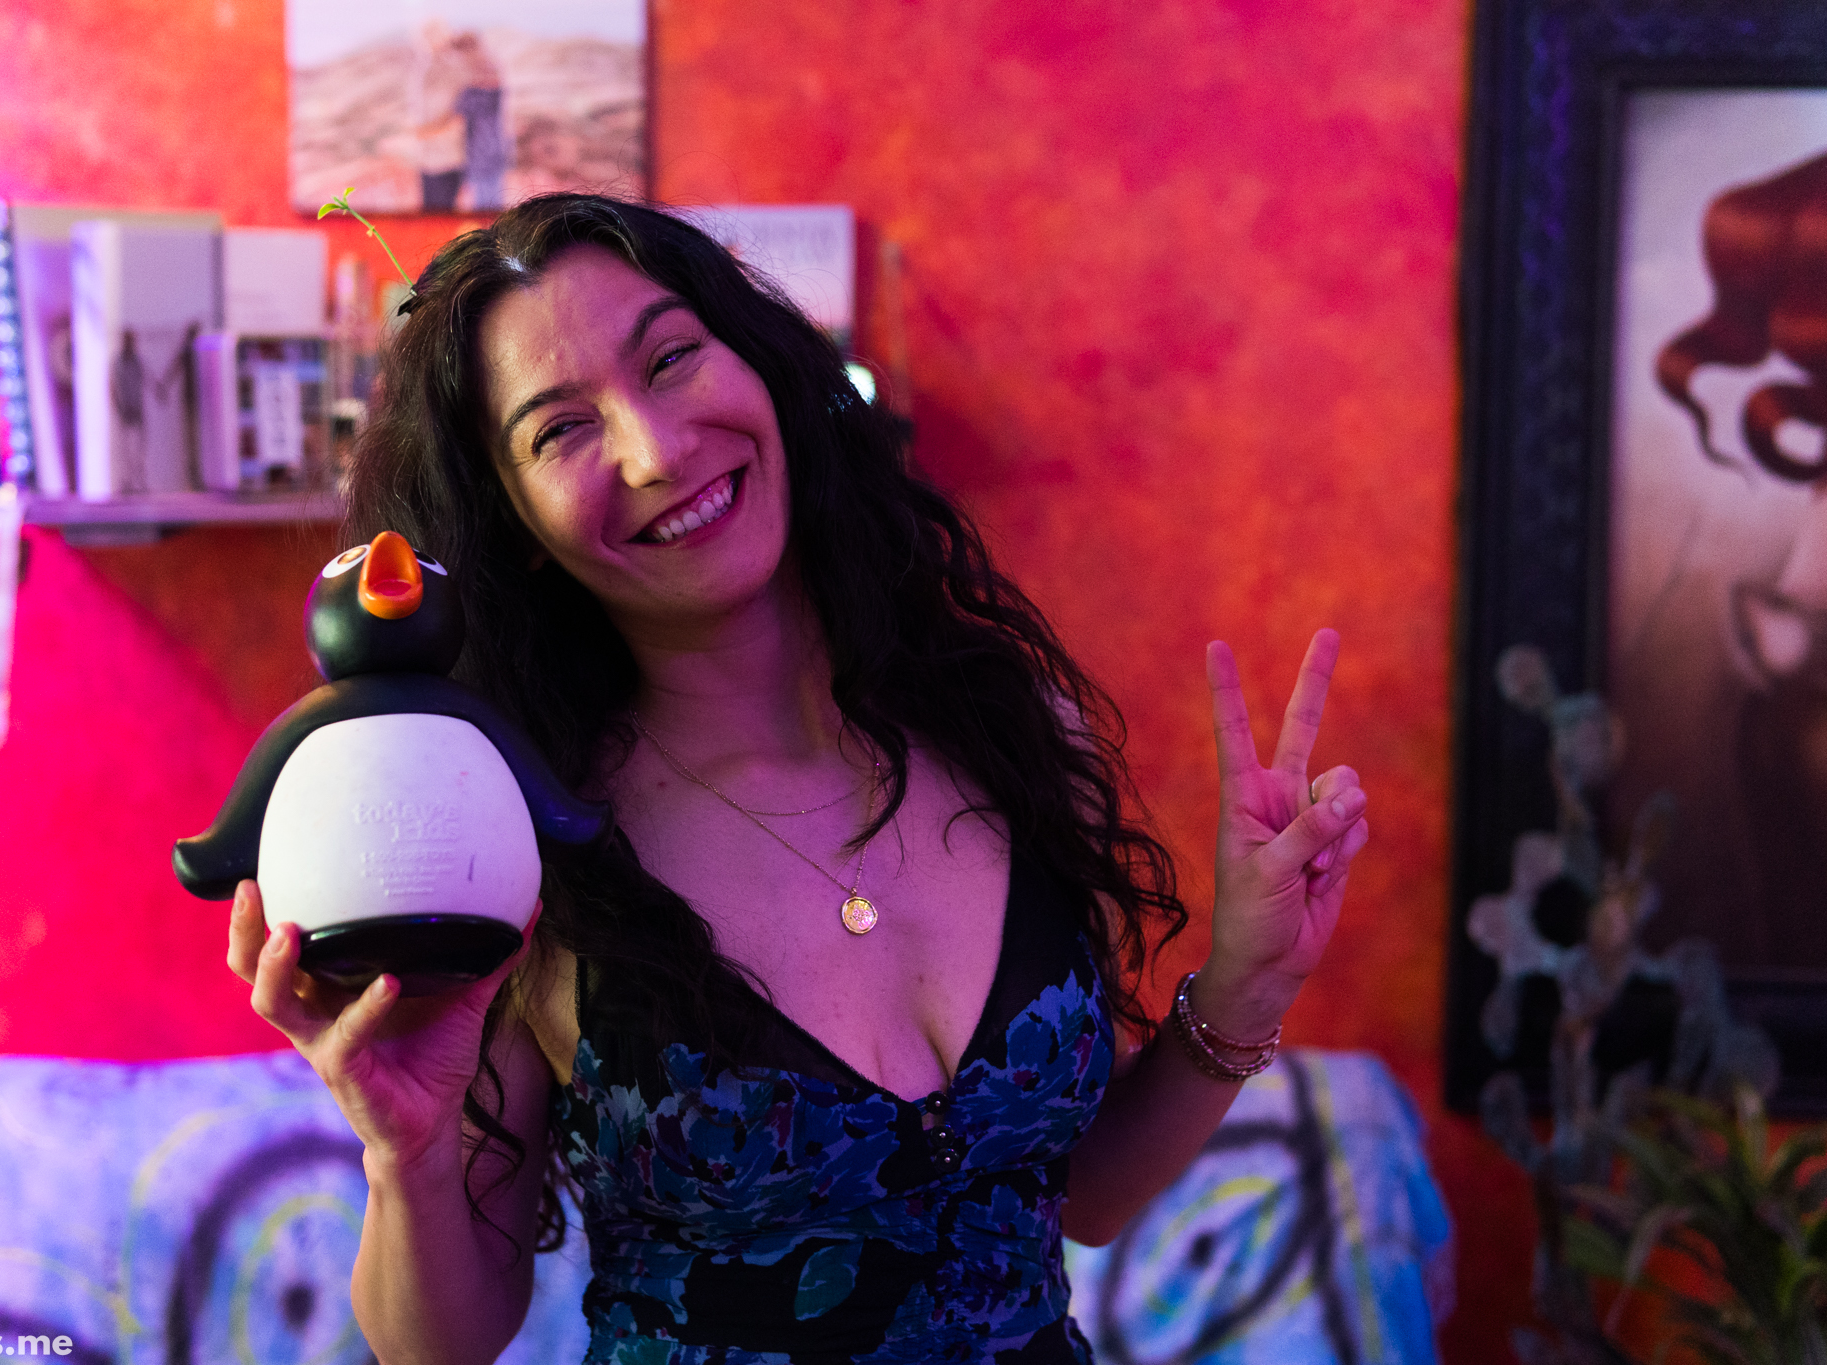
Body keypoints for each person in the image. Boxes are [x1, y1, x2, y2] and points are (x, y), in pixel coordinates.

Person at [226, 194, 1370, 1364]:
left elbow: (1083, 1196)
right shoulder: (522, 839)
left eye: (670, 357)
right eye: (560, 430)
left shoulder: (1008, 726)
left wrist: (1246, 981)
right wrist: (409, 1153)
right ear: (513, 521)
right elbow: (440, 1345)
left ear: (762, 364)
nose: (656, 449)